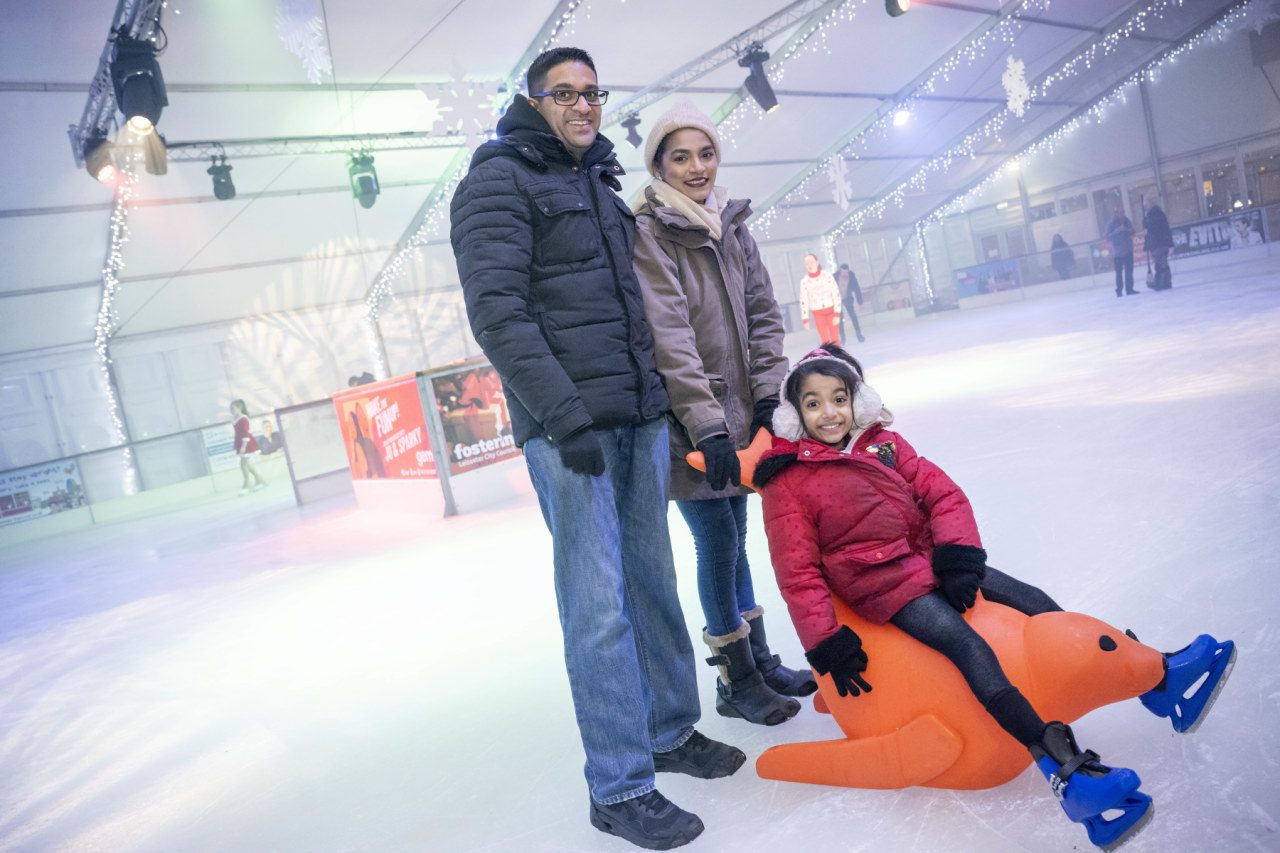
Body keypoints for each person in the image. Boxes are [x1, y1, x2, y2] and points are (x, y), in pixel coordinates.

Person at [752, 343, 1235, 851]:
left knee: (1037, 601)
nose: (829, 413)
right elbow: (797, 573)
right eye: (813, 403)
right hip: (885, 586)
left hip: (928, 558)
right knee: (971, 650)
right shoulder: (790, 482)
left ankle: (1159, 680)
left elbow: (944, 495)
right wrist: (825, 642)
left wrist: (959, 557)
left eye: (838, 398)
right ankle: (1067, 771)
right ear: (795, 415)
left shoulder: (886, 445)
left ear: (857, 400)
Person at [449, 47, 742, 851]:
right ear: (534, 101)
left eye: (593, 93)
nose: (584, 106)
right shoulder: (495, 183)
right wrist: (563, 416)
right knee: (598, 605)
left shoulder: (599, 183)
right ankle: (618, 784)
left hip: (639, 419)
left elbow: (635, 309)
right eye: (566, 94)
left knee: (652, 583)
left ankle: (671, 730)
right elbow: (499, 314)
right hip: (571, 431)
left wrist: (661, 403)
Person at [630, 102, 815, 731]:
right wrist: (706, 425)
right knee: (716, 546)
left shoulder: (732, 228)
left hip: (741, 419)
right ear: (659, 165)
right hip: (693, 427)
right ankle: (737, 679)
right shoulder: (652, 235)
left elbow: (765, 317)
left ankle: (757, 660)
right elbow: (669, 337)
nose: (696, 167)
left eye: (704, 153)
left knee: (737, 540)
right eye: (680, 156)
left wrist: (769, 397)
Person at [798, 254, 842, 342]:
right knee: (825, 340)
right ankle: (827, 355)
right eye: (807, 263)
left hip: (831, 311)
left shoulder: (827, 276)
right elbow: (804, 300)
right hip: (817, 314)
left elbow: (836, 294)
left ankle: (838, 355)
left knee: (835, 339)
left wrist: (837, 313)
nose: (809, 265)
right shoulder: (804, 281)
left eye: (811, 262)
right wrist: (805, 319)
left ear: (817, 262)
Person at [229, 399, 266, 495]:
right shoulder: (236, 419)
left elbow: (245, 432)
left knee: (243, 464)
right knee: (247, 464)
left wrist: (243, 446)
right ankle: (260, 480)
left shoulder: (243, 418)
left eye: (233, 408)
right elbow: (238, 433)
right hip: (241, 442)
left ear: (239, 408)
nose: (231, 410)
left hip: (246, 443)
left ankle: (246, 484)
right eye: (230, 409)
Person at [1104, 207, 1136, 297]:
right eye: (1120, 213)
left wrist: (1128, 230)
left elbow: (1133, 231)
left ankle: (1129, 289)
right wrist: (1117, 231)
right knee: (1119, 273)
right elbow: (1107, 237)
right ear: (1116, 214)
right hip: (1118, 253)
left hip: (1128, 250)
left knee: (1129, 271)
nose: (1122, 214)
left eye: (1123, 212)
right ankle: (1119, 290)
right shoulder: (1110, 224)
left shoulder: (1127, 221)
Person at [1142, 201, 1173, 291]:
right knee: (1161, 263)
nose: (1145, 208)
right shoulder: (1153, 214)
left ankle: (1162, 282)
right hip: (1158, 243)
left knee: (1161, 264)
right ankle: (1164, 282)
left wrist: (1148, 230)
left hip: (1159, 243)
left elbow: (1157, 227)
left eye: (1146, 205)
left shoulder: (1155, 214)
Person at [835, 263, 866, 344]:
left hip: (847, 298)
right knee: (839, 318)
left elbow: (857, 289)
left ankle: (859, 335)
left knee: (853, 315)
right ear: (840, 271)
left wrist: (860, 302)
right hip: (837, 299)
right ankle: (843, 338)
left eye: (846, 272)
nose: (844, 274)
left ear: (848, 271)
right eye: (842, 273)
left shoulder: (851, 276)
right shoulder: (834, 276)